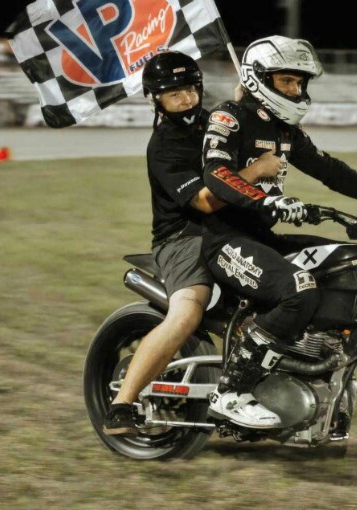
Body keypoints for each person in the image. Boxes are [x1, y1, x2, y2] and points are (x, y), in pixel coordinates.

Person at [200, 35, 357, 428]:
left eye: (300, 83)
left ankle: (324, 354)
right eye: (286, 81)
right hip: (226, 239)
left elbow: (326, 168)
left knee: (354, 263)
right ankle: (231, 391)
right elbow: (216, 176)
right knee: (299, 288)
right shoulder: (228, 117)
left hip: (265, 238)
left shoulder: (286, 131)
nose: (296, 90)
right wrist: (267, 201)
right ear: (257, 78)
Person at [102, 51, 280, 435]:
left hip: (233, 230)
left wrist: (246, 105)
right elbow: (204, 200)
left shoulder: (212, 121)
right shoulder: (164, 146)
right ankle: (122, 405)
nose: (184, 100)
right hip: (184, 238)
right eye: (173, 94)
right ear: (156, 99)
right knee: (187, 314)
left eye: (189, 90)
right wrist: (256, 170)